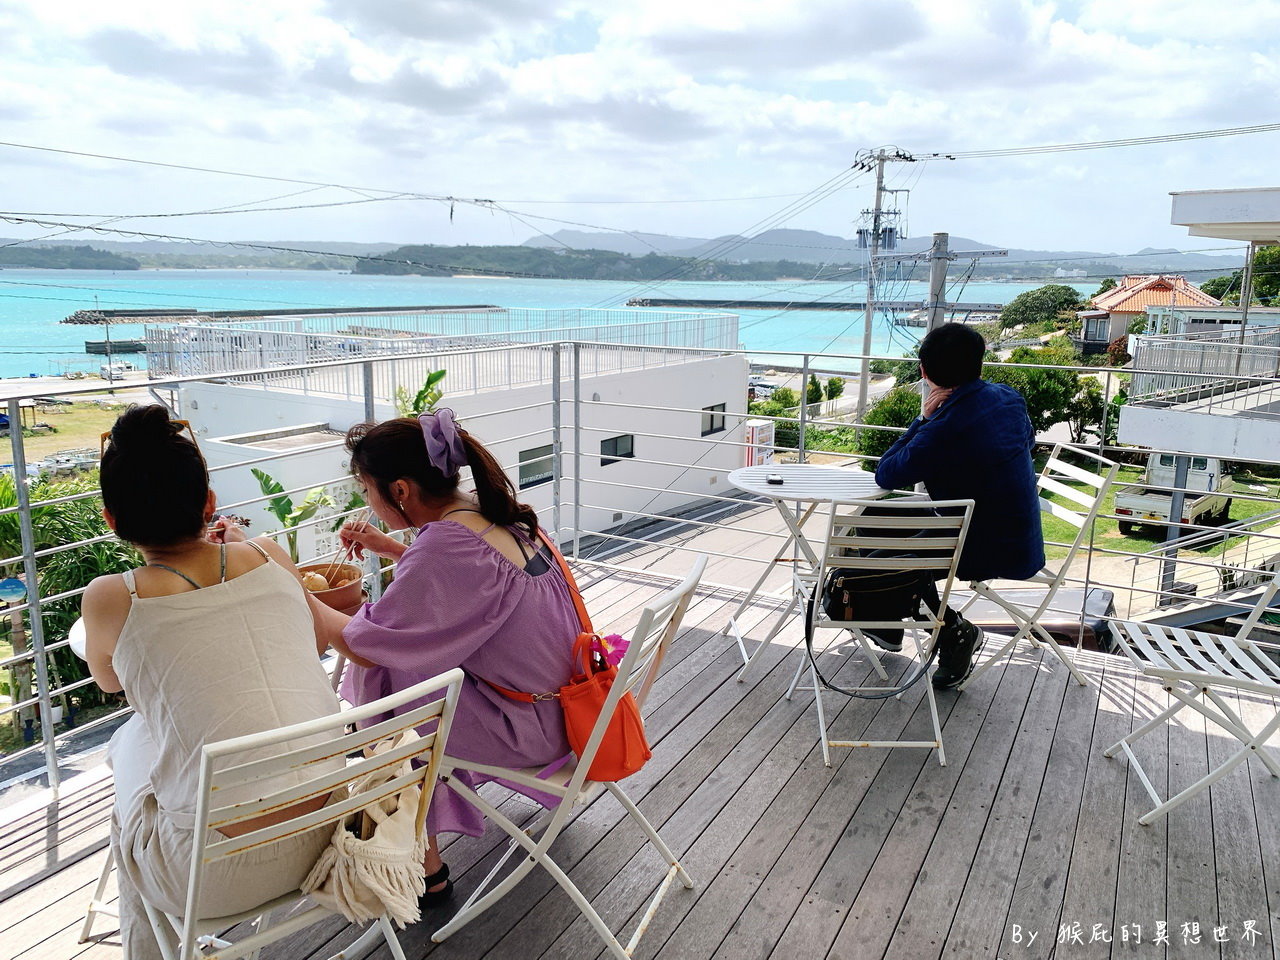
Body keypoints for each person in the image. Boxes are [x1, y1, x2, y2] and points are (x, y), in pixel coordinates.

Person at [81, 405, 343, 960]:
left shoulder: (112, 596)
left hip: (212, 875)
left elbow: (108, 681)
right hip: (330, 829)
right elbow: (316, 637)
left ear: (112, 519)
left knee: (127, 748)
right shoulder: (269, 555)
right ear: (209, 503)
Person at [311, 408, 580, 906]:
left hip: (529, 727)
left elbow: (365, 646)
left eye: (367, 491)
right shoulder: (492, 516)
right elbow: (469, 587)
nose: (367, 503)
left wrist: (290, 588)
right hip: (566, 710)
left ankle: (425, 865)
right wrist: (394, 549)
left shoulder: (448, 546)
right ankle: (418, 832)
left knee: (391, 684)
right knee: (407, 673)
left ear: (399, 491)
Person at [872, 323, 1044, 689]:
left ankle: (953, 632)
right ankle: (887, 623)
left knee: (877, 551)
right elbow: (1027, 443)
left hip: (984, 548)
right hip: (1020, 536)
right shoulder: (1008, 398)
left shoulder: (943, 427)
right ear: (979, 364)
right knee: (878, 523)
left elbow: (886, 474)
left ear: (924, 371)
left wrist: (923, 419)